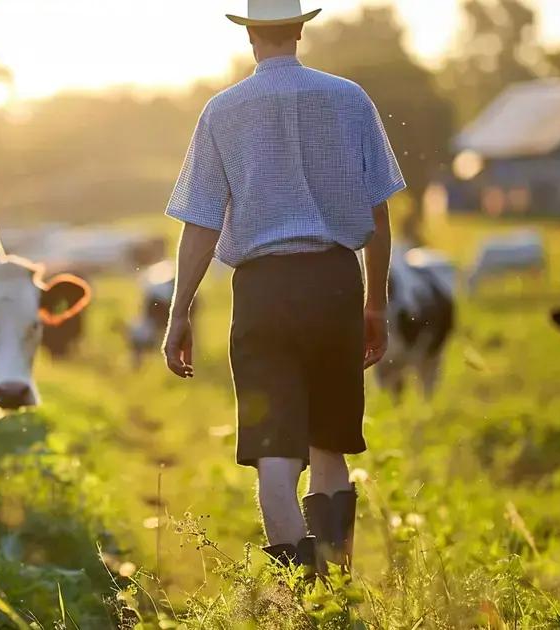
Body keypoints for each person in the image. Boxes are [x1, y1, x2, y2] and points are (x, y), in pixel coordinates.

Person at [161, 0, 404, 574]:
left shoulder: (222, 112)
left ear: (250, 38)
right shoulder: (350, 100)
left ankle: (300, 595)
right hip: (335, 284)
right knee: (330, 445)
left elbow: (200, 224)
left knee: (274, 452)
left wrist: (179, 313)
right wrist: (376, 305)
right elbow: (380, 215)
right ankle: (334, 588)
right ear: (300, 29)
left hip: (263, 294)